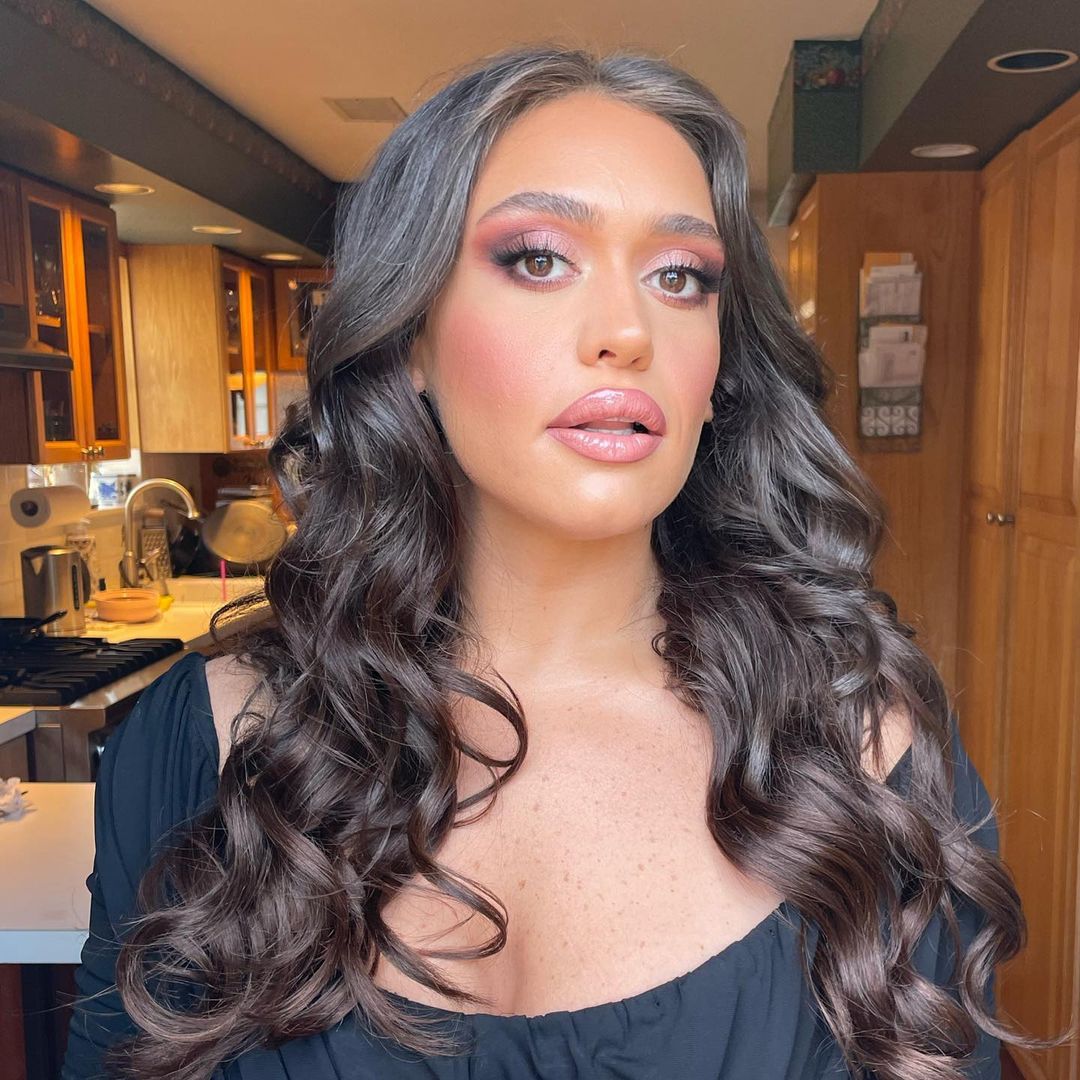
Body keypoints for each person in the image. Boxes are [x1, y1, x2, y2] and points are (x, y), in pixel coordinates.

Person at [62, 43, 1045, 1080]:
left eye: (680, 277)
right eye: (538, 258)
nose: (627, 331)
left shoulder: (866, 753)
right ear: (410, 334)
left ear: (719, 368)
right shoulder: (207, 744)